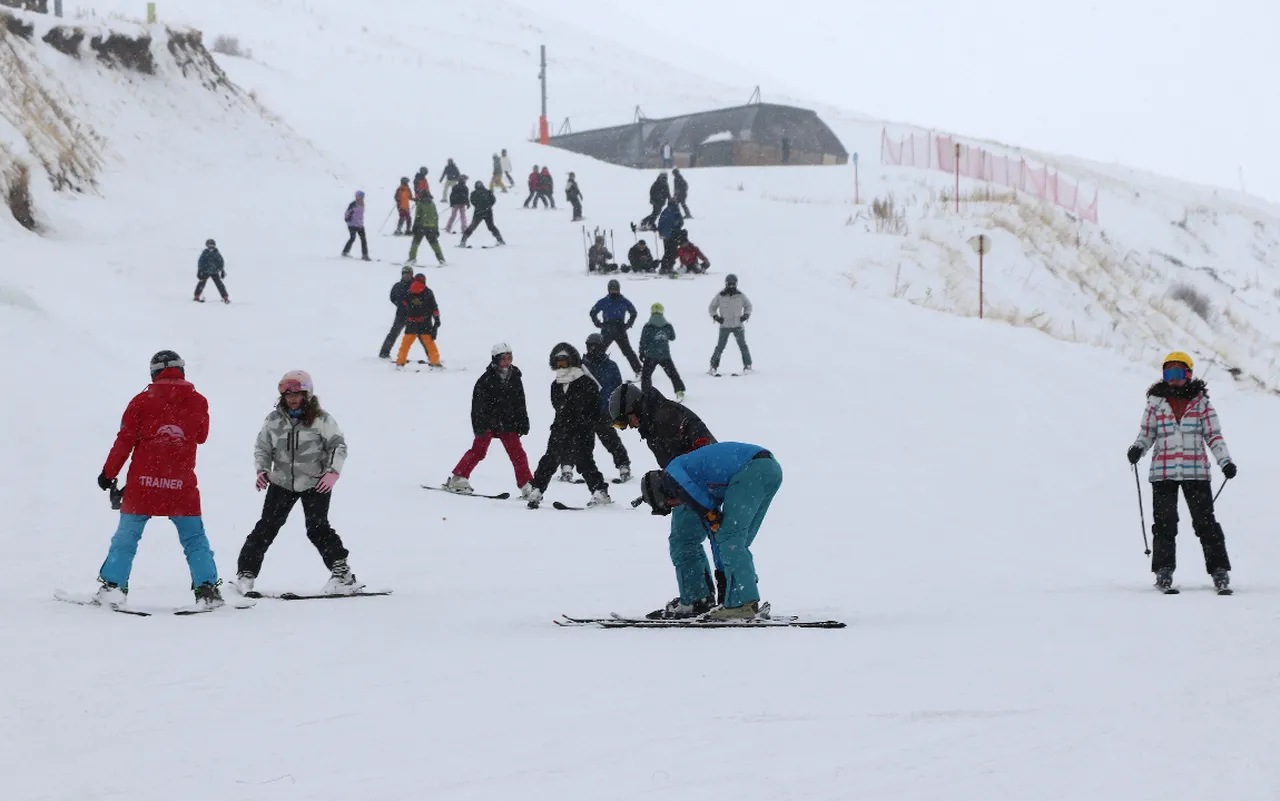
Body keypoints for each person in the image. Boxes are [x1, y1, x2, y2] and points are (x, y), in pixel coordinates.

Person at [91, 351, 222, 610]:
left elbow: (125, 440)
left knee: (127, 537)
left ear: (153, 373)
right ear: (182, 371)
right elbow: (202, 435)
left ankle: (113, 588)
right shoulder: (198, 402)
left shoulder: (141, 401)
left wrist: (108, 474)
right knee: (194, 539)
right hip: (181, 483)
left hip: (143, 483)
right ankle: (207, 590)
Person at [236, 371, 360, 595]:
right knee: (266, 527)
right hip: (282, 482)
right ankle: (246, 573)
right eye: (288, 394)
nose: (293, 399)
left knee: (317, 528)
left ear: (307, 394)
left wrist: (332, 473)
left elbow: (338, 445)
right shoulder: (274, 421)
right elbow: (262, 448)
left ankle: (342, 575)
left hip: (315, 482)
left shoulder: (321, 419)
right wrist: (262, 470)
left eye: (298, 394)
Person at [1127, 351, 1237, 592]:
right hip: (1163, 472)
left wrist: (1225, 461)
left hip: (1196, 472)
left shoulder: (1201, 403)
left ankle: (1219, 570)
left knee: (1205, 522)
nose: (1172, 378)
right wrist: (1138, 448)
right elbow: (1147, 433)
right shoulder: (1156, 402)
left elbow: (1213, 435)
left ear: (1188, 374)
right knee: (1165, 523)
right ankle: (1163, 570)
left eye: (1177, 373)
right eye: (1168, 373)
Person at [639, 442, 782, 619]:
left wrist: (710, 514)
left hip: (752, 470)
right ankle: (738, 598)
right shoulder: (695, 478)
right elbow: (714, 529)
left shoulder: (673, 475)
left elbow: (705, 510)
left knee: (730, 537)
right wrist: (723, 581)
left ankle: (743, 603)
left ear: (663, 493)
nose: (674, 506)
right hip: (768, 469)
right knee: (736, 540)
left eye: (668, 505)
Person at [608, 381, 720, 600]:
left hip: (697, 485)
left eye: (624, 421)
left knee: (683, 541)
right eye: (620, 426)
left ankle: (697, 598)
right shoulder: (655, 419)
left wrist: (683, 486)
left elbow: (696, 451)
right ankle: (699, 595)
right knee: (685, 540)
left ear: (634, 407)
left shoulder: (664, 417)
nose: (628, 427)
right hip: (692, 485)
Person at [525, 343, 613, 509]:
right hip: (560, 429)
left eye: (564, 361)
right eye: (558, 362)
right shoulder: (556, 384)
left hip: (582, 429)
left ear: (572, 361)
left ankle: (600, 491)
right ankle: (537, 489)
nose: (561, 365)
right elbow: (557, 407)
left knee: (584, 461)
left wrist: (584, 422)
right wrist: (562, 422)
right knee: (550, 459)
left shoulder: (586, 382)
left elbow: (594, 407)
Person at [445, 343, 534, 497]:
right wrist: (479, 424)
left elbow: (520, 401)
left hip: (508, 422)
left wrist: (523, 421)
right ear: (495, 360)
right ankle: (458, 477)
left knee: (517, 453)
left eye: (509, 358)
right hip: (487, 421)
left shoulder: (515, 377)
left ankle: (527, 484)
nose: (507, 361)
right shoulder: (486, 379)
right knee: (479, 451)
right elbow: (477, 405)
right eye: (503, 359)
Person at [580, 333, 631, 483]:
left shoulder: (611, 366)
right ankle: (569, 467)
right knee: (578, 441)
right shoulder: (581, 366)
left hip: (604, 410)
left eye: (597, 346)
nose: (594, 349)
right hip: (584, 411)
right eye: (591, 346)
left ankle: (623, 465)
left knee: (611, 439)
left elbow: (618, 388)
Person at [589, 278, 641, 374]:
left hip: (620, 330)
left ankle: (639, 371)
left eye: (616, 289)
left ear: (619, 289)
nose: (614, 291)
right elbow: (593, 312)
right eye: (612, 289)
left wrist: (628, 324)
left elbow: (633, 313)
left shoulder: (624, 301)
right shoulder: (604, 301)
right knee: (599, 352)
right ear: (608, 290)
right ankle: (592, 371)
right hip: (607, 330)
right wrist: (598, 323)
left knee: (628, 352)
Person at [639, 302, 685, 399]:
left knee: (646, 376)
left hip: (650, 356)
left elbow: (643, 341)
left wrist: (641, 352)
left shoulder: (648, 326)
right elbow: (672, 337)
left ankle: (645, 394)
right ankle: (679, 391)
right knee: (672, 374)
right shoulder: (667, 326)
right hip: (664, 355)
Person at [708, 274, 752, 375]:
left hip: (738, 326)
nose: (731, 286)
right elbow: (711, 307)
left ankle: (748, 365)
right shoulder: (720, 295)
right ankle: (713, 366)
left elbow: (748, 306)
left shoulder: (740, 296)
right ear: (726, 284)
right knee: (720, 347)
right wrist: (716, 317)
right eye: (729, 284)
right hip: (725, 326)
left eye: (733, 284)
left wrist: (745, 315)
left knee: (743, 346)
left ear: (736, 284)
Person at [395, 273, 442, 368]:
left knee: (405, 345)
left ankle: (400, 361)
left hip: (411, 322)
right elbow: (434, 308)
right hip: (425, 322)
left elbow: (404, 303)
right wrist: (437, 319)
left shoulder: (409, 291)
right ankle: (435, 362)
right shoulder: (428, 292)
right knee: (430, 345)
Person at [378, 266, 414, 359]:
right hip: (401, 315)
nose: (406, 276)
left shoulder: (416, 286)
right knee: (393, 334)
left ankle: (432, 356)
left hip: (414, 315)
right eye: (405, 274)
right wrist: (400, 305)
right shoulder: (397, 286)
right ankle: (384, 353)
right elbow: (392, 298)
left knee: (424, 336)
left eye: (408, 274)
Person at [406, 188, 446, 268]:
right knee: (434, 244)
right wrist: (436, 228)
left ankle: (412, 259)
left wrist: (414, 227)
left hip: (421, 226)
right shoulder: (432, 203)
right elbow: (436, 216)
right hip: (431, 227)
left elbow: (418, 216)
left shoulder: (420, 203)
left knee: (415, 243)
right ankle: (441, 259)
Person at [460, 181, 505, 247]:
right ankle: (500, 240)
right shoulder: (488, 192)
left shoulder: (474, 193)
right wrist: (489, 206)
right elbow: (493, 200)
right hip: (488, 212)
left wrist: (478, 206)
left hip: (478, 212)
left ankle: (463, 241)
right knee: (491, 227)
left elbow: (473, 201)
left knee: (472, 227)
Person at [193, 238, 229, 303]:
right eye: (210, 246)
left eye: (212, 246)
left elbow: (221, 262)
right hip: (206, 271)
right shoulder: (205, 253)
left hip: (214, 271)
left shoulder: (217, 253)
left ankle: (225, 296)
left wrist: (222, 270)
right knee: (202, 283)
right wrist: (200, 271)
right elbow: (201, 262)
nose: (211, 248)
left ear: (215, 246)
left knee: (219, 284)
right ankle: (197, 296)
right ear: (207, 246)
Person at [342, 190, 370, 261]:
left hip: (360, 225)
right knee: (352, 238)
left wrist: (360, 222)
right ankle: (345, 252)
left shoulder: (362, 204)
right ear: (357, 196)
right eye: (360, 196)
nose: (361, 198)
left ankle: (365, 255)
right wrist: (348, 220)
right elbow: (347, 213)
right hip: (352, 225)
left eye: (362, 197)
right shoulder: (353, 204)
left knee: (363, 240)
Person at [657, 199, 684, 273]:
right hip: (673, 235)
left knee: (667, 251)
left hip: (665, 236)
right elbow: (681, 223)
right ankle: (670, 267)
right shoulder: (676, 211)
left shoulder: (664, 211)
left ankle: (663, 267)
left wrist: (660, 232)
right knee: (673, 251)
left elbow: (660, 223)